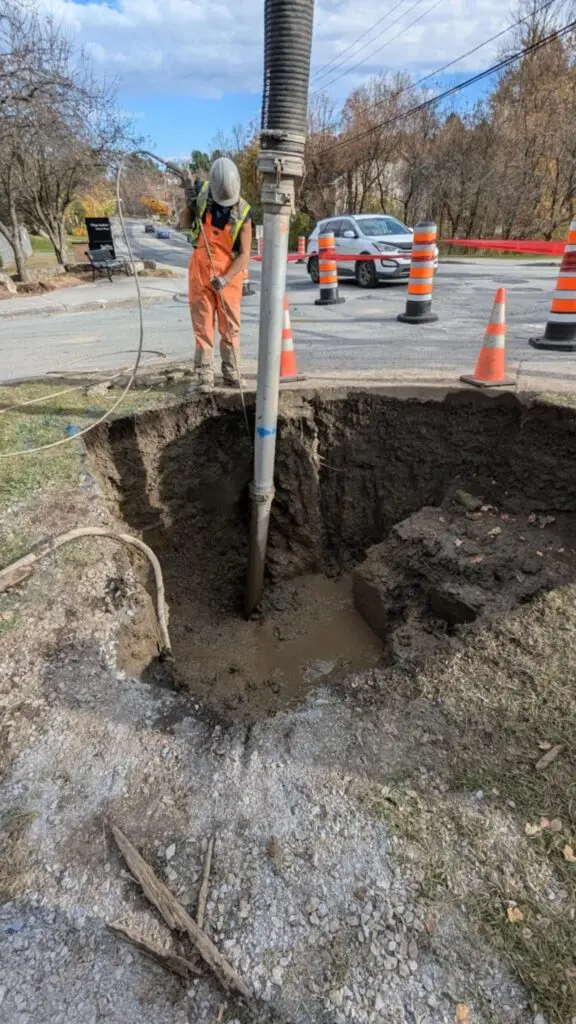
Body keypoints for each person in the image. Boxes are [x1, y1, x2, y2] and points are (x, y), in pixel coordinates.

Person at [179, 157, 252, 393]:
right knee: (203, 328)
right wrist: (188, 201)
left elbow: (243, 255)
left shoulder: (244, 212)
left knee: (230, 327)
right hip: (200, 272)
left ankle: (231, 372)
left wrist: (226, 278)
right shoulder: (201, 196)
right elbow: (184, 223)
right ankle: (204, 376)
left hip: (228, 276)